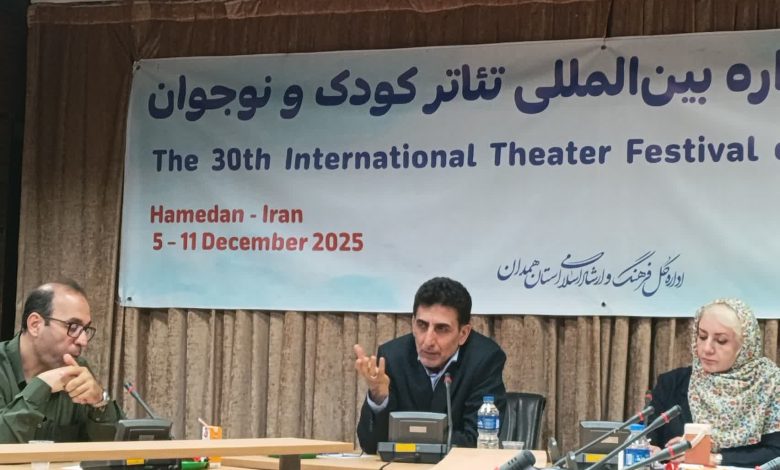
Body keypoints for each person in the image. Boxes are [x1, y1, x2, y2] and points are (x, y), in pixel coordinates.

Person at [354, 276, 506, 453]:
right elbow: (371, 445)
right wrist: (378, 396)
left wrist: (409, 438)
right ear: (413, 324)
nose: (428, 341)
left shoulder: (484, 360)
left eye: (441, 329)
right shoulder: (393, 357)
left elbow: (476, 442)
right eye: (422, 325)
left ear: (463, 333)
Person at [648, 298, 780, 466]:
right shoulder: (671, 384)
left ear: (745, 345)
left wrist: (712, 458)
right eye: (702, 336)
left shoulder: (769, 384)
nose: (707, 348)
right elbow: (646, 436)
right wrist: (650, 451)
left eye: (721, 341)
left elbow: (776, 451)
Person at [0, 280, 121, 442]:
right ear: (35, 325)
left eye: (85, 329)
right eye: (73, 327)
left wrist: (99, 402)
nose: (83, 341)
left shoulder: (77, 370)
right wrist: (41, 387)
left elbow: (117, 446)